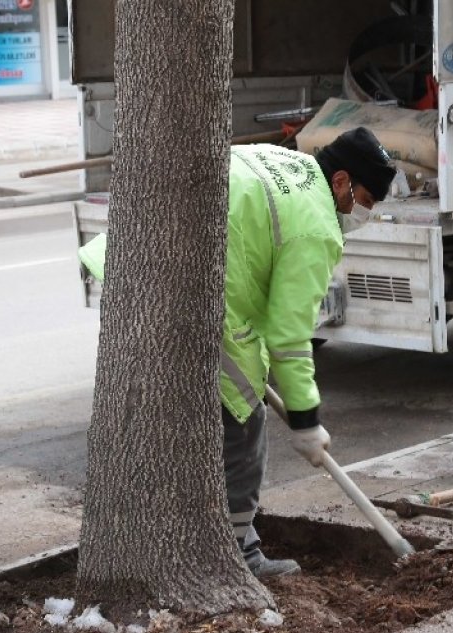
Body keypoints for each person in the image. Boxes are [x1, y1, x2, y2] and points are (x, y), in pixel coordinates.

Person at [78, 127, 397, 577]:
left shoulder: (283, 162)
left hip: (127, 262)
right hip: (181, 295)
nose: (364, 212)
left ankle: (173, 536)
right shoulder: (317, 226)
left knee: (187, 416)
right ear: (342, 181)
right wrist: (306, 419)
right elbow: (289, 334)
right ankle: (238, 555)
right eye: (365, 200)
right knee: (245, 416)